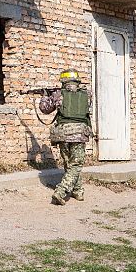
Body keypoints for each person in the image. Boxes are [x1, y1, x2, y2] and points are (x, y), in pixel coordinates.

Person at [39, 69, 92, 205]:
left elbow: (44, 109)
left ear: (63, 81)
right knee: (76, 164)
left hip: (63, 134)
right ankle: (62, 192)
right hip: (80, 133)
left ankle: (77, 191)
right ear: (77, 81)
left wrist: (45, 96)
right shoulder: (87, 94)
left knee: (70, 163)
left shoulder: (58, 95)